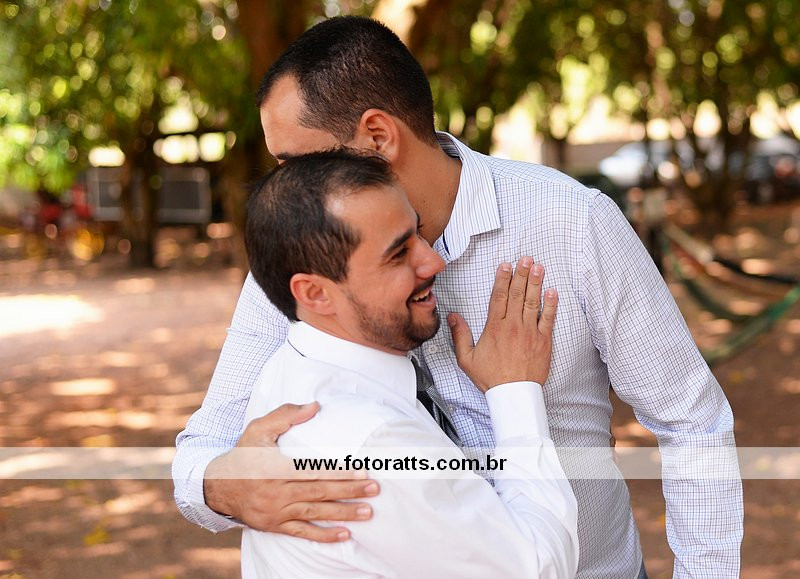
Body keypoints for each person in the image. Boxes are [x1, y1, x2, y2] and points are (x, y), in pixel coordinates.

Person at [174, 16, 743, 578]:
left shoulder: (573, 222)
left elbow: (690, 420)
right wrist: (227, 487)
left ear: (378, 137)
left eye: (299, 162)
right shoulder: (306, 256)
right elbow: (203, 448)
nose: (286, 185)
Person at [237, 149, 578, 578]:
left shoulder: (287, 372)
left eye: (418, 232)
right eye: (398, 254)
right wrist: (515, 391)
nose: (434, 261)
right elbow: (537, 569)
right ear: (316, 293)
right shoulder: (372, 442)